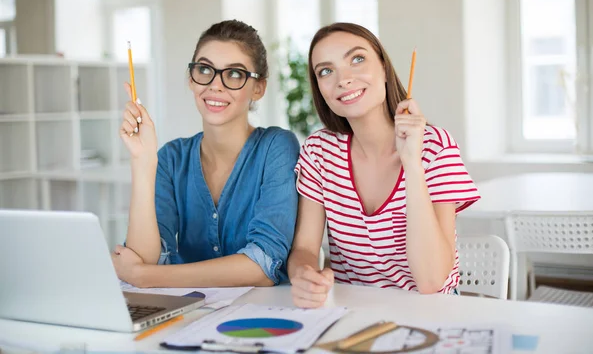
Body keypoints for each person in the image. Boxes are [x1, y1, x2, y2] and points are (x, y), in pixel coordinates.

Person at [288, 23, 480, 308]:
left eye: (357, 59)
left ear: (384, 68)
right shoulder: (319, 151)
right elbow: (304, 247)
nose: (343, 79)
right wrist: (303, 274)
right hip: (352, 311)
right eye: (326, 71)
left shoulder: (436, 147)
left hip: (431, 312)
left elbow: (431, 282)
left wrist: (412, 164)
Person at [111, 20, 300, 288]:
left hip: (264, 315)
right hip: (190, 316)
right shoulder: (171, 158)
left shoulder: (277, 147)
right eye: (204, 69)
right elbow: (144, 258)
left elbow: (262, 265)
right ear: (191, 79)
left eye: (234, 74)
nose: (215, 85)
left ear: (258, 88)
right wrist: (143, 161)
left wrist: (146, 276)